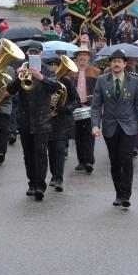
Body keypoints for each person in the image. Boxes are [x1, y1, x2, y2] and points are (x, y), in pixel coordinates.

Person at [90, 49, 138, 209]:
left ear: (125, 64)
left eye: (119, 61)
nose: (116, 64)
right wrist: (95, 125)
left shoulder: (134, 81)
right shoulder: (102, 80)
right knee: (115, 161)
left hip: (129, 127)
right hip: (110, 127)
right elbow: (95, 106)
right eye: (114, 61)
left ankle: (126, 195)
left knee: (126, 160)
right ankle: (118, 194)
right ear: (110, 64)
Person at [6, 42, 58, 201]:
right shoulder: (22, 68)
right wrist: (17, 76)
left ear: (42, 55)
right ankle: (31, 183)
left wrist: (40, 77)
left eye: (36, 53)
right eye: (31, 53)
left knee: (40, 154)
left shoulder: (48, 70)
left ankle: (40, 185)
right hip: (24, 118)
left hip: (42, 119)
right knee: (28, 154)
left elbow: (54, 86)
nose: (33, 55)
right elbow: (10, 90)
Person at [45, 56, 80, 192]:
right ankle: (54, 175)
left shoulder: (66, 81)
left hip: (62, 121)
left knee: (59, 150)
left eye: (56, 65)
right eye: (50, 65)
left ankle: (59, 178)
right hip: (46, 121)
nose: (53, 67)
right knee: (51, 151)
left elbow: (76, 100)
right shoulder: (43, 80)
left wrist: (66, 108)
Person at [70, 47, 99, 173]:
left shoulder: (96, 71)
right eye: (80, 55)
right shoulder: (71, 72)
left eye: (85, 55)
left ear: (89, 57)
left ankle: (89, 161)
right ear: (76, 58)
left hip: (89, 106)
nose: (82, 57)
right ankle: (81, 161)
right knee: (77, 135)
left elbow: (99, 91)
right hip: (75, 106)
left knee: (89, 134)